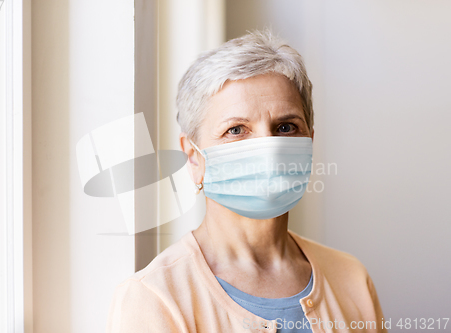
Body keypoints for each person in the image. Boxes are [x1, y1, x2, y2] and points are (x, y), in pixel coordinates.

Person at [106, 29, 386, 333]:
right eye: (236, 130)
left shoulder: (351, 277)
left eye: (286, 127)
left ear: (310, 141)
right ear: (194, 157)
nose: (269, 149)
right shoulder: (155, 298)